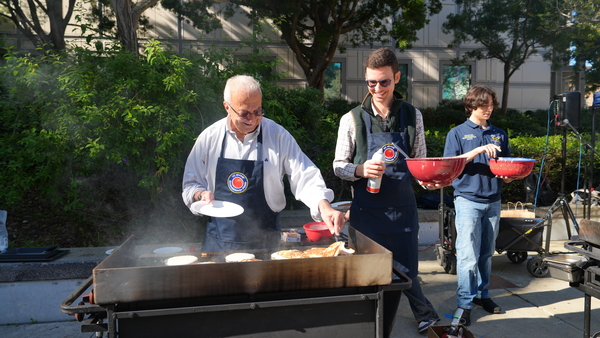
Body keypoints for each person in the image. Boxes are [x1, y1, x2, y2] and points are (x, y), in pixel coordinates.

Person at [333, 47, 440, 334]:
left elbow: (419, 162)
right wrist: (360, 170)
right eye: (371, 83)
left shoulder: (412, 116)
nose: (377, 88)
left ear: (397, 78)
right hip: (366, 213)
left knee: (405, 270)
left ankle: (422, 315)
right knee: (367, 272)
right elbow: (338, 165)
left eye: (384, 82)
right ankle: (369, 323)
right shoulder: (351, 119)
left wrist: (428, 180)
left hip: (403, 211)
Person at [182, 75, 345, 251]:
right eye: (244, 113)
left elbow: (304, 174)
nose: (252, 119)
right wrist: (200, 194)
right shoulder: (209, 138)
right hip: (219, 241)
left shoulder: (277, 136)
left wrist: (324, 206)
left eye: (258, 111)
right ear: (227, 107)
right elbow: (191, 184)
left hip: (265, 243)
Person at [443, 84, 514, 326]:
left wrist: (510, 175)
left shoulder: (500, 134)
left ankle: (483, 295)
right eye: (485, 105)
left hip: (494, 200)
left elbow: (506, 164)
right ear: (472, 105)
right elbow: (450, 164)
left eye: (492, 105)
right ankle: (464, 303)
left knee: (485, 254)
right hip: (468, 201)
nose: (489, 109)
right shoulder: (457, 133)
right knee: (467, 256)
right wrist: (479, 149)